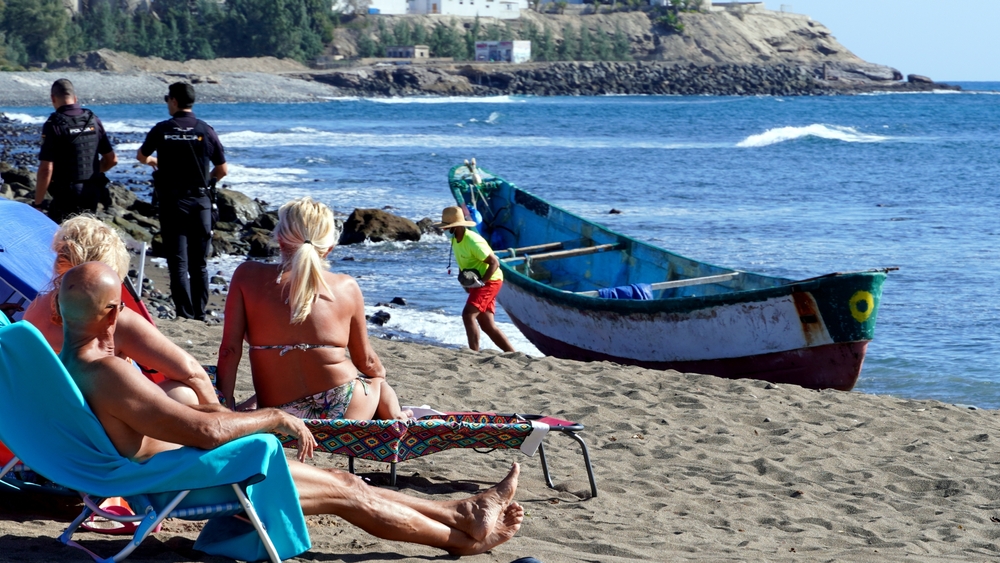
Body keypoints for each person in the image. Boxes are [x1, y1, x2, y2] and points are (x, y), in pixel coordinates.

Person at [59, 261, 523, 556]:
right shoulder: (109, 373)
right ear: (114, 314)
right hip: (186, 479)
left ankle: (462, 513)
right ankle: (461, 540)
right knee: (348, 494)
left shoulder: (72, 364)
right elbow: (208, 434)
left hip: (181, 469)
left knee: (345, 481)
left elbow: (179, 424)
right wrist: (277, 416)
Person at [217, 197, 409, 421]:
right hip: (345, 408)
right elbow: (365, 361)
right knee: (378, 383)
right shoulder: (346, 286)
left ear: (279, 238)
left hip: (278, 410)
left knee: (258, 399)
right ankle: (398, 416)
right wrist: (381, 378)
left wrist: (225, 406)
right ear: (328, 248)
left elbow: (229, 351)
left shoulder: (247, 276)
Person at [22, 216, 218, 406]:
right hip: (104, 424)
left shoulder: (38, 306)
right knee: (185, 392)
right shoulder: (113, 319)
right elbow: (192, 372)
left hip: (49, 414)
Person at [137, 82, 227, 321]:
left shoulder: (162, 129)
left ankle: (184, 313)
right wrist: (206, 181)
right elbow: (222, 169)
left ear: (174, 101)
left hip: (173, 202)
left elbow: (141, 155)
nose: (167, 102)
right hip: (200, 201)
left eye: (168, 98)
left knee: (177, 261)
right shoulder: (205, 130)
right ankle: (199, 313)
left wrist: (154, 162)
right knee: (199, 263)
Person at [34, 78, 118, 223]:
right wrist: (94, 171)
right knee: (85, 237)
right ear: (75, 97)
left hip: (66, 194)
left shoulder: (53, 124)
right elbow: (112, 160)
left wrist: (38, 204)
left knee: (61, 240)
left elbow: (46, 170)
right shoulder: (92, 120)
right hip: (91, 191)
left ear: (53, 98)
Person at [436, 206, 515, 353]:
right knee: (486, 324)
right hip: (477, 281)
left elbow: (494, 263)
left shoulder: (473, 241)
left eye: (446, 227)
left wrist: (482, 283)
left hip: (490, 280)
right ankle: (512, 353)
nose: (444, 231)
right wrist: (465, 282)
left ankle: (473, 353)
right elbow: (463, 262)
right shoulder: (455, 240)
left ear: (456, 227)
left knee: (468, 315)